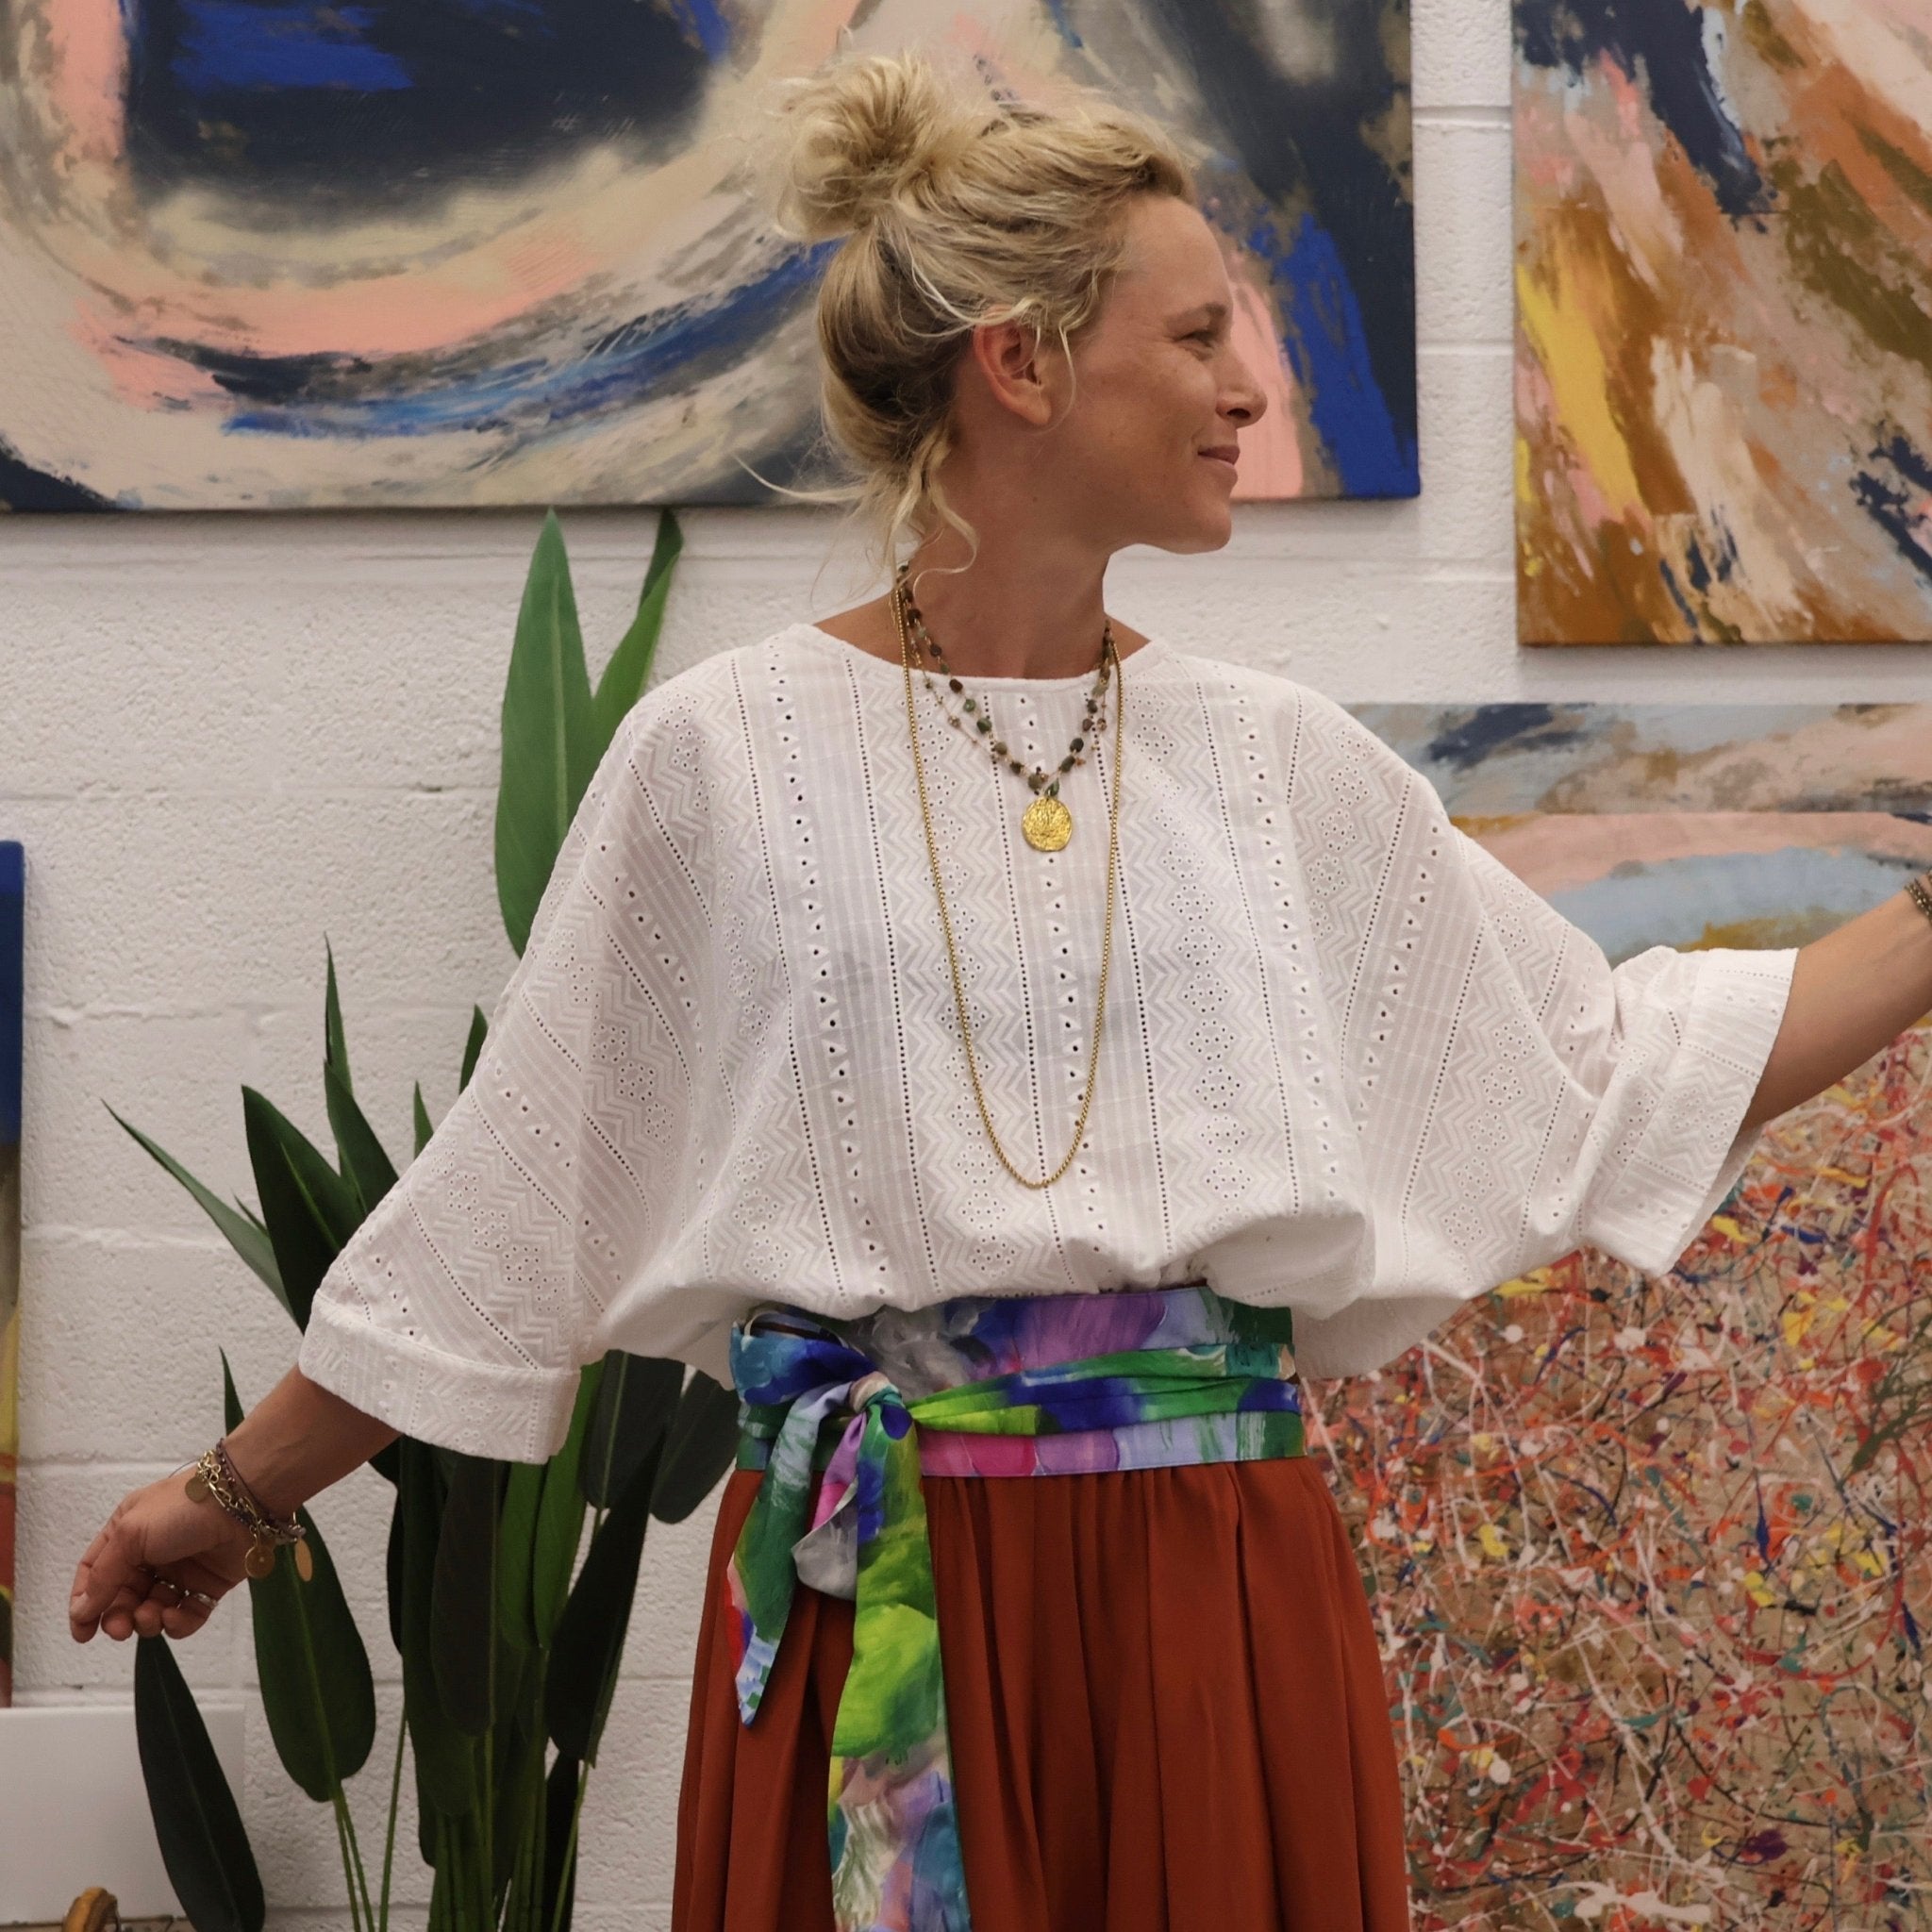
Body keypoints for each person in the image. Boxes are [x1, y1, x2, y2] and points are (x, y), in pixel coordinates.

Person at [68, 43, 1932, 1932]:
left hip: (1208, 1594)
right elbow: (512, 1194)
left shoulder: (1274, 765)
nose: (1249, 385)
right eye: (1196, 335)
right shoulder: (723, 756)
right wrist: (237, 1493)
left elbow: (1614, 1064)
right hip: (865, 1585)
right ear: (1021, 364)